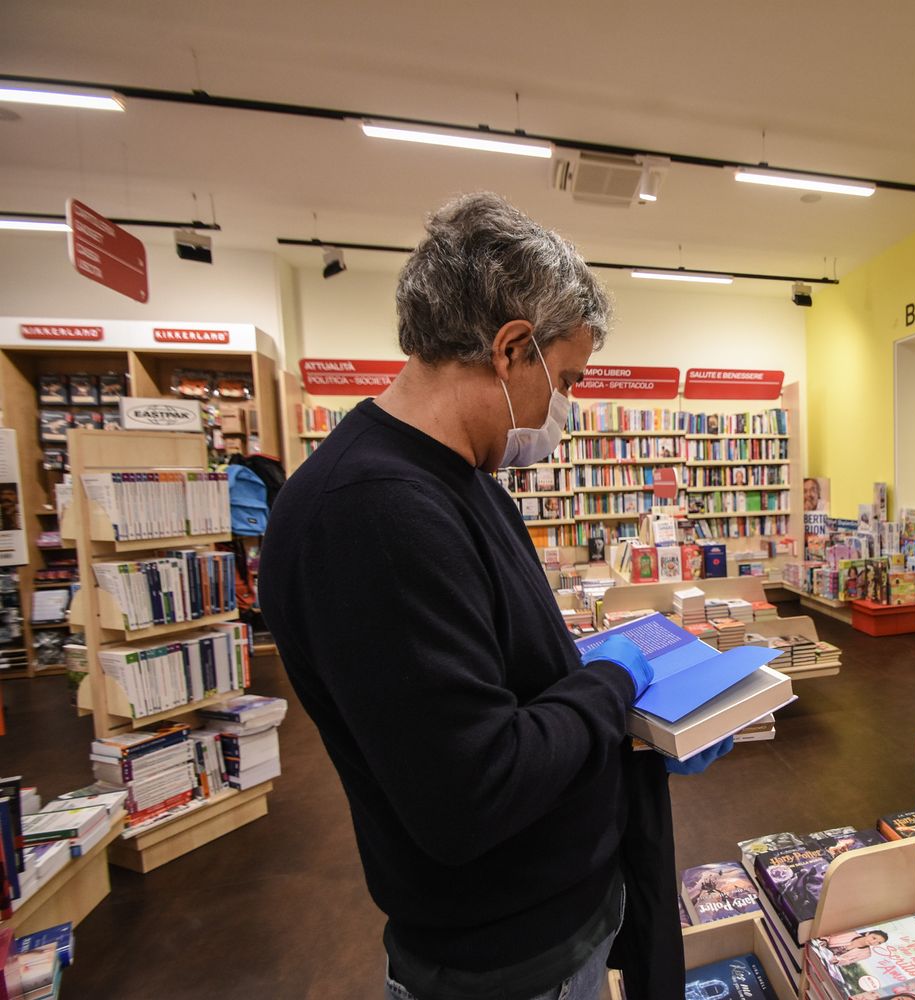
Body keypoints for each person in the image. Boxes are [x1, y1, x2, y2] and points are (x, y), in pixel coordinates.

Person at [259, 192, 731, 1000]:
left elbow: (502, 679)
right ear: (512, 349)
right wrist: (613, 683)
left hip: (558, 915)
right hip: (505, 960)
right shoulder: (371, 515)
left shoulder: (463, 478)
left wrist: (649, 728)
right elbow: (471, 792)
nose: (566, 410)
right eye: (568, 379)